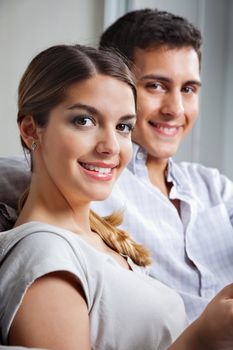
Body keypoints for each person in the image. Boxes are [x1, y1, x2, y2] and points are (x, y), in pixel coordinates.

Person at [1, 43, 233, 350]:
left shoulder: (100, 237)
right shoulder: (43, 256)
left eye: (123, 126)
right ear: (31, 130)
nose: (111, 146)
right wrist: (201, 338)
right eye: (84, 120)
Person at [91, 8, 233, 323]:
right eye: (156, 86)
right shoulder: (90, 182)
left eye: (188, 89)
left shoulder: (214, 187)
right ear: (113, 86)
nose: (175, 109)